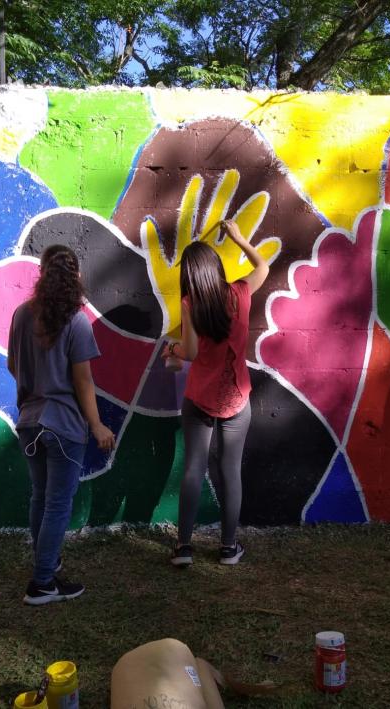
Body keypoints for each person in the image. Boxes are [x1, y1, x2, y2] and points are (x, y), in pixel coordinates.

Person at [7, 244, 115, 605]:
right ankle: (42, 583)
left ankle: (46, 568)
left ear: (42, 273)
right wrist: (97, 425)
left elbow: (12, 365)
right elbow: (83, 381)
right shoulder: (76, 321)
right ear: (76, 277)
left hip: (29, 422)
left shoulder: (22, 314)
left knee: (40, 498)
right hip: (64, 426)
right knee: (57, 505)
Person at [165, 220, 269, 567]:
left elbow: (191, 352)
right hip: (236, 401)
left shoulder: (190, 303)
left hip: (199, 399)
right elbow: (263, 267)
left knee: (194, 469)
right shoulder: (239, 293)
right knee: (230, 471)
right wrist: (240, 238)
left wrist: (174, 352)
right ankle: (228, 548)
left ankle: (183, 548)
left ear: (190, 277)